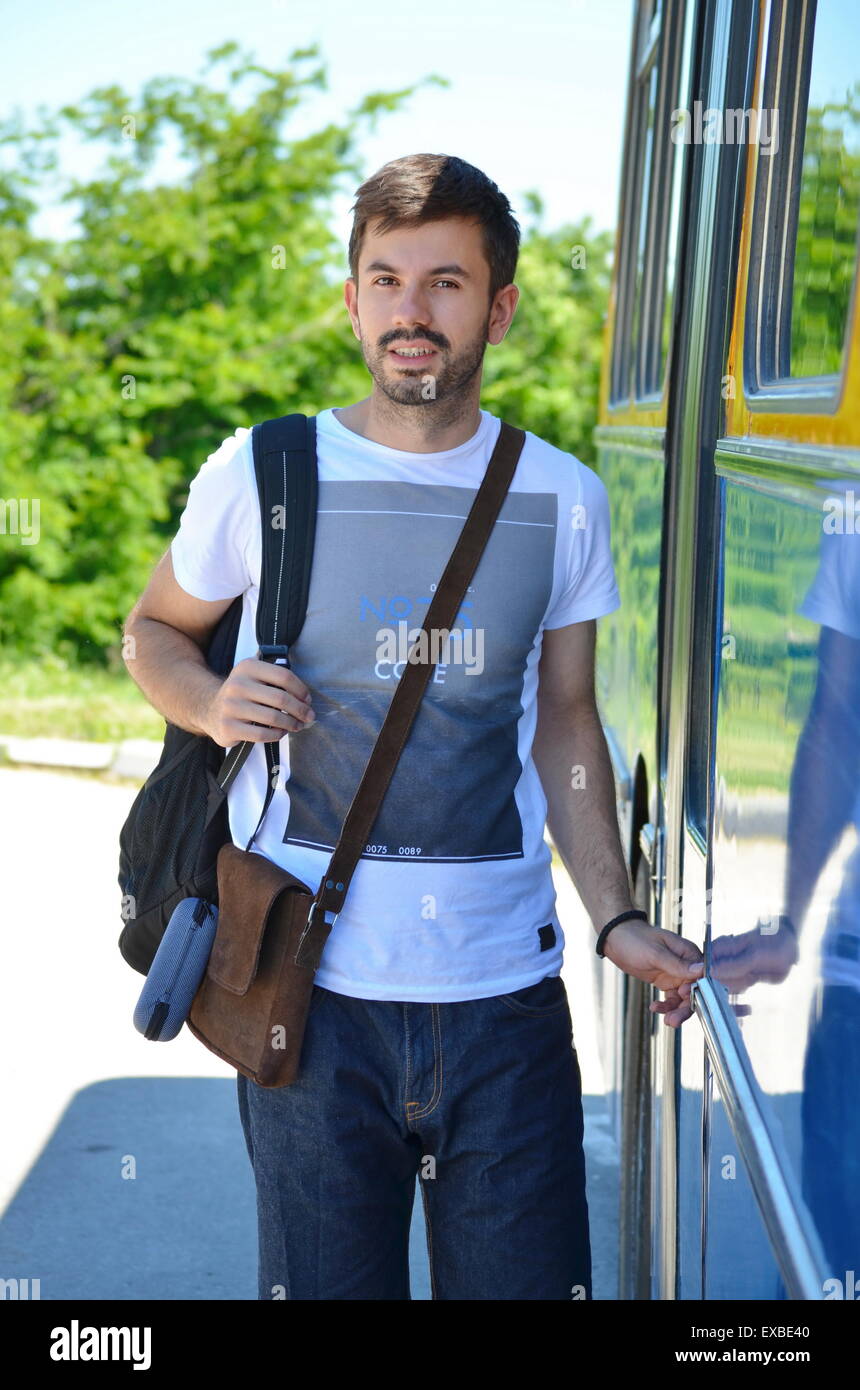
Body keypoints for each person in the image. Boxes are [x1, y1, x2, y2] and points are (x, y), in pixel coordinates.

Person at [122, 153, 705, 1301]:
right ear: (349, 300)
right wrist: (204, 698)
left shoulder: (561, 496)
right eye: (383, 280)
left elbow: (569, 724)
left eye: (443, 283)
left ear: (498, 308)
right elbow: (152, 630)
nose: (409, 311)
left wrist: (617, 916)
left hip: (503, 1000)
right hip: (305, 990)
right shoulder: (265, 470)